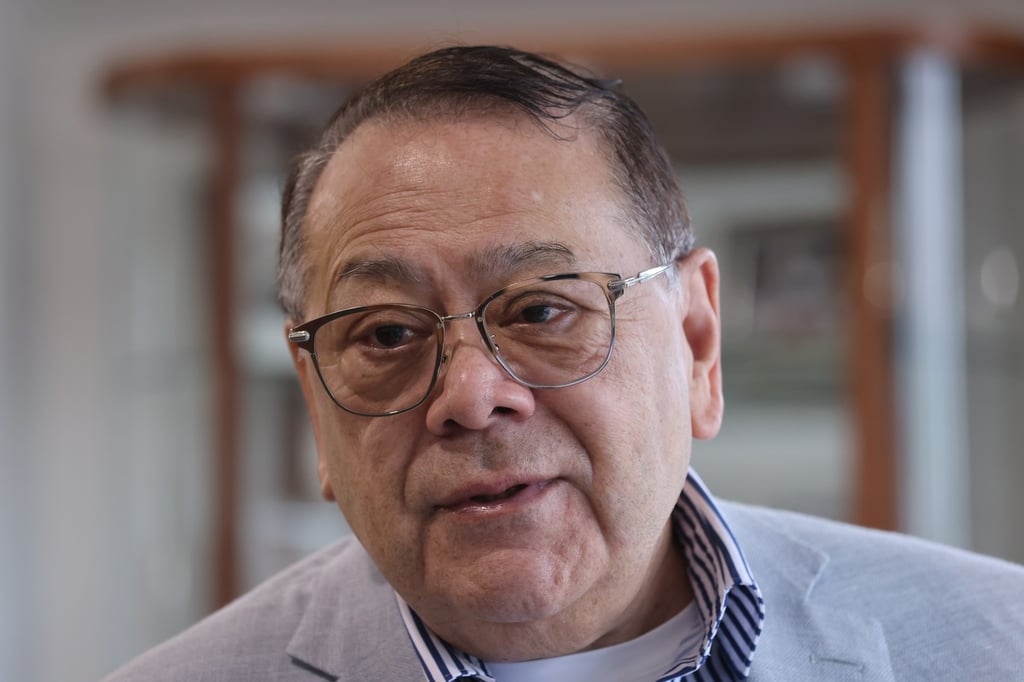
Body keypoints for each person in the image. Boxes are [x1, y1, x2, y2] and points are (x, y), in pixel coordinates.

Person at [106, 45, 1024, 682]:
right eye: (385, 334)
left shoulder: (997, 645)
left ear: (697, 343)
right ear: (315, 402)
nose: (469, 396)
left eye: (544, 309)